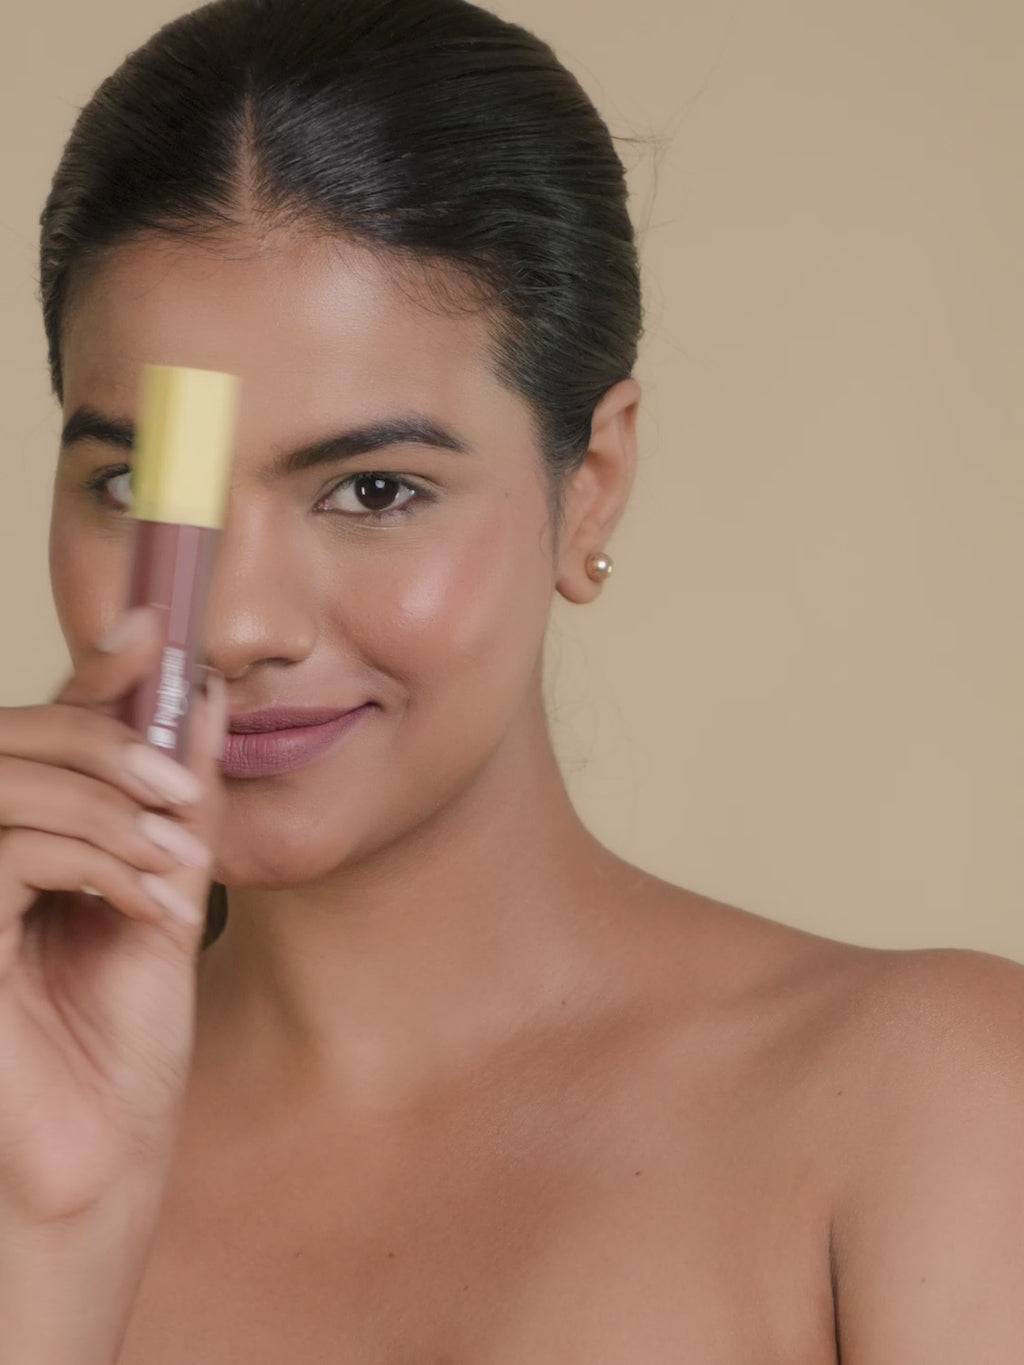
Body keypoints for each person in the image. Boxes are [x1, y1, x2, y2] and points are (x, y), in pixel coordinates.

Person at [2, 0, 1022, 1359]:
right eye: (141, 485)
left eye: (374, 489)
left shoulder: (930, 1108)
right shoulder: (23, 1129)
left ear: (589, 483)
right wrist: (53, 1237)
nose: (233, 623)